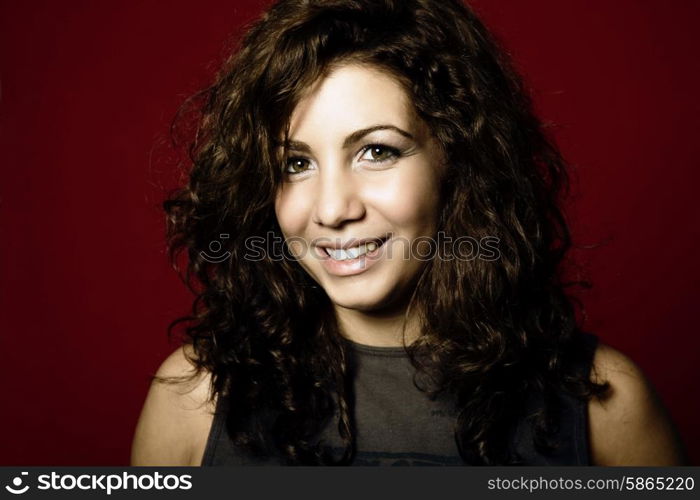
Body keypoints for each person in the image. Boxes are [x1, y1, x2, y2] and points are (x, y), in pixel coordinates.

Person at [131, 0, 687, 466]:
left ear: (458, 163)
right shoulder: (193, 396)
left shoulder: (603, 402)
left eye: (376, 151)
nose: (331, 209)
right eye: (295, 164)